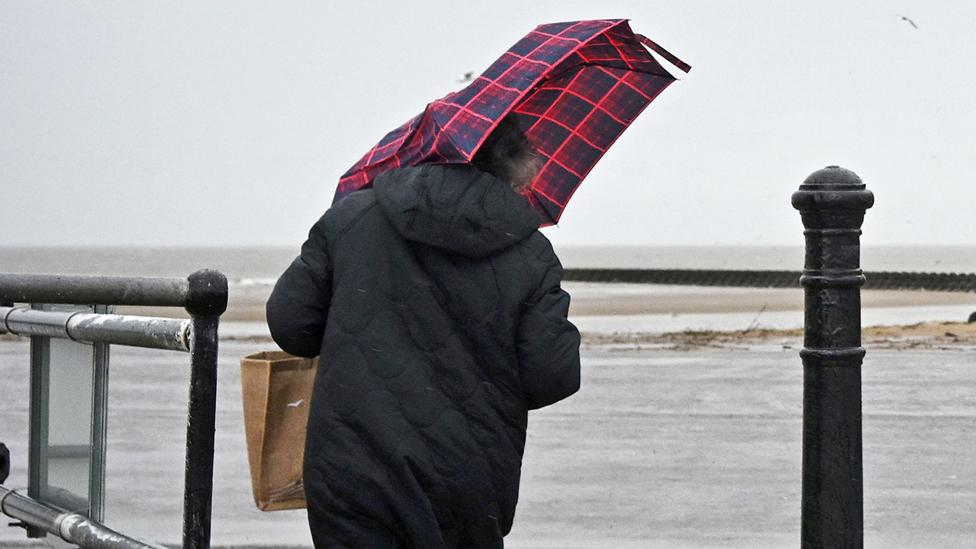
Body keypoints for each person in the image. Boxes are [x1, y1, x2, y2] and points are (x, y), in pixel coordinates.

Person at [266, 117, 581, 548]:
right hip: (469, 473)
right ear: (519, 166)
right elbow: (554, 375)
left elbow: (291, 327)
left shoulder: (351, 217)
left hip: (352, 466)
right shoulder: (530, 252)